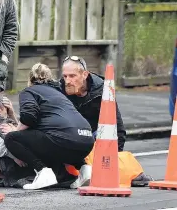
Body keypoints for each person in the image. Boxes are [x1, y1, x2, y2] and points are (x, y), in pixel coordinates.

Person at [61, 56, 153, 186]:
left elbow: (116, 126)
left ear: (85, 75)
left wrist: (115, 158)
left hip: (96, 137)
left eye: (72, 76)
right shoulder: (60, 89)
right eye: (65, 76)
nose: (67, 81)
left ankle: (125, 173)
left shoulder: (101, 91)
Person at [4, 63, 95, 190]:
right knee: (60, 139)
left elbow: (29, 118)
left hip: (62, 139)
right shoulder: (59, 93)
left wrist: (15, 131)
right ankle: (85, 170)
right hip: (87, 140)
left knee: (11, 138)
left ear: (30, 79)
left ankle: (43, 172)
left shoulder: (29, 91)